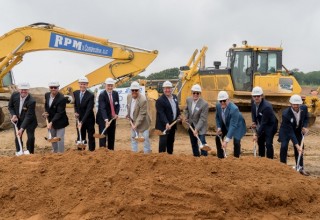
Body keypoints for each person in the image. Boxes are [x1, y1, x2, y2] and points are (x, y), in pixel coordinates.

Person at [278, 94, 310, 176]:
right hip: (286, 130)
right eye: (294, 104)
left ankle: (300, 167)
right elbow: (290, 132)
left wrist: (305, 127)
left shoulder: (304, 108)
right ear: (290, 104)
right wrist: (296, 145)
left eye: (297, 104)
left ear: (300, 104)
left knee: (300, 149)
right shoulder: (286, 114)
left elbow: (306, 118)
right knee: (284, 146)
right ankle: (283, 167)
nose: (296, 106)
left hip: (298, 130)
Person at [8, 82, 38, 154]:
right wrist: (14, 115)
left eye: (25, 89)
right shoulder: (14, 95)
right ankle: (19, 152)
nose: (23, 91)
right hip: (18, 120)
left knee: (30, 137)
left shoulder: (31, 101)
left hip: (30, 121)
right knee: (17, 137)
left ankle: (30, 153)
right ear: (19, 89)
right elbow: (10, 106)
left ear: (28, 90)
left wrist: (21, 129)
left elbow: (28, 116)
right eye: (22, 89)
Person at [215, 91, 246, 158]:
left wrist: (226, 141)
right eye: (220, 101)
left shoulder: (234, 109)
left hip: (237, 125)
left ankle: (236, 158)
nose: (222, 102)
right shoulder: (218, 106)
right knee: (218, 137)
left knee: (236, 142)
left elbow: (233, 126)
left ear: (228, 100)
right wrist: (219, 127)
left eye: (224, 100)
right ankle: (220, 157)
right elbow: (217, 117)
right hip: (226, 123)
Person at [251, 86, 278, 159]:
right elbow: (253, 113)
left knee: (268, 143)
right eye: (254, 96)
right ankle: (261, 159)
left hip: (270, 126)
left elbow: (264, 123)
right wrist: (254, 121)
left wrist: (256, 134)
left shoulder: (267, 107)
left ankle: (270, 161)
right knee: (260, 142)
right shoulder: (253, 103)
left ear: (261, 96)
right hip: (262, 123)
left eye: (258, 96)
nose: (256, 97)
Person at [43, 81, 69, 153]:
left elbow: (59, 113)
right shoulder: (47, 95)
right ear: (49, 88)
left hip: (60, 121)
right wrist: (46, 113)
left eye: (55, 87)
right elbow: (47, 106)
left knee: (59, 139)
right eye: (51, 87)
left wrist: (51, 122)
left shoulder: (62, 98)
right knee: (52, 138)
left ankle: (60, 154)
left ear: (58, 88)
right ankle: (55, 151)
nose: (53, 89)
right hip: (51, 120)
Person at [155, 80, 180, 154]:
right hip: (163, 126)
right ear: (163, 89)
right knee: (163, 142)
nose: (167, 90)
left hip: (173, 124)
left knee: (171, 141)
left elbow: (176, 108)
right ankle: (161, 158)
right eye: (165, 88)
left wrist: (179, 115)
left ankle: (169, 156)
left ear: (171, 89)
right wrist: (166, 123)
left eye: (169, 88)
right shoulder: (160, 100)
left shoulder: (175, 97)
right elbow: (161, 113)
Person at [184, 84, 209, 157]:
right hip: (191, 124)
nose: (195, 94)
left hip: (200, 126)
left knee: (202, 141)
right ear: (192, 93)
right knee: (193, 142)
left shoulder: (204, 104)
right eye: (194, 93)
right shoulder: (188, 100)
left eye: (197, 93)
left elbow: (202, 118)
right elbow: (186, 110)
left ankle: (204, 158)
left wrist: (196, 129)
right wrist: (186, 116)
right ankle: (196, 157)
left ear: (200, 94)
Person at [126, 81, 151, 153]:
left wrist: (136, 125)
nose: (134, 92)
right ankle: (134, 153)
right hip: (133, 122)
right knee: (133, 138)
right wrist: (128, 115)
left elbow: (142, 114)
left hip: (143, 123)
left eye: (136, 90)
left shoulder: (143, 100)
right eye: (132, 90)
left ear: (139, 90)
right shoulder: (129, 96)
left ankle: (147, 154)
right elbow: (129, 107)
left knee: (145, 139)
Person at [96, 77, 120, 150]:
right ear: (105, 85)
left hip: (112, 118)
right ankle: (102, 153)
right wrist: (106, 120)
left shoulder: (115, 93)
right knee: (103, 136)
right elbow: (102, 108)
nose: (110, 87)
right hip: (103, 119)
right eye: (108, 85)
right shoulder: (102, 95)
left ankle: (111, 151)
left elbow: (117, 105)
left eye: (111, 85)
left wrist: (116, 114)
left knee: (111, 135)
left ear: (113, 85)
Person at [73, 76, 96, 151]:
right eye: (81, 84)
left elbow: (89, 110)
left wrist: (82, 121)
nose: (82, 86)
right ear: (79, 84)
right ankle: (80, 153)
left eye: (84, 84)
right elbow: (76, 105)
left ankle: (91, 152)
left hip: (89, 119)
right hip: (79, 119)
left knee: (90, 137)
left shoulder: (90, 95)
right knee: (80, 136)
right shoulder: (75, 93)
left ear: (87, 85)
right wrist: (76, 112)